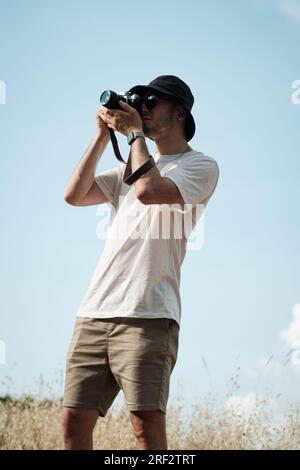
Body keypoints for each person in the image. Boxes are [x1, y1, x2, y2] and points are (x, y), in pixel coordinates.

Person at [62, 75, 219, 450]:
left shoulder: (201, 165)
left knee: (145, 432)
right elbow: (74, 194)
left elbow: (150, 191)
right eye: (139, 102)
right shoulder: (126, 169)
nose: (144, 109)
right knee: (72, 424)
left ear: (180, 112)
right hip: (94, 312)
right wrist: (104, 135)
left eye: (153, 102)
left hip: (148, 315)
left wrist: (135, 135)